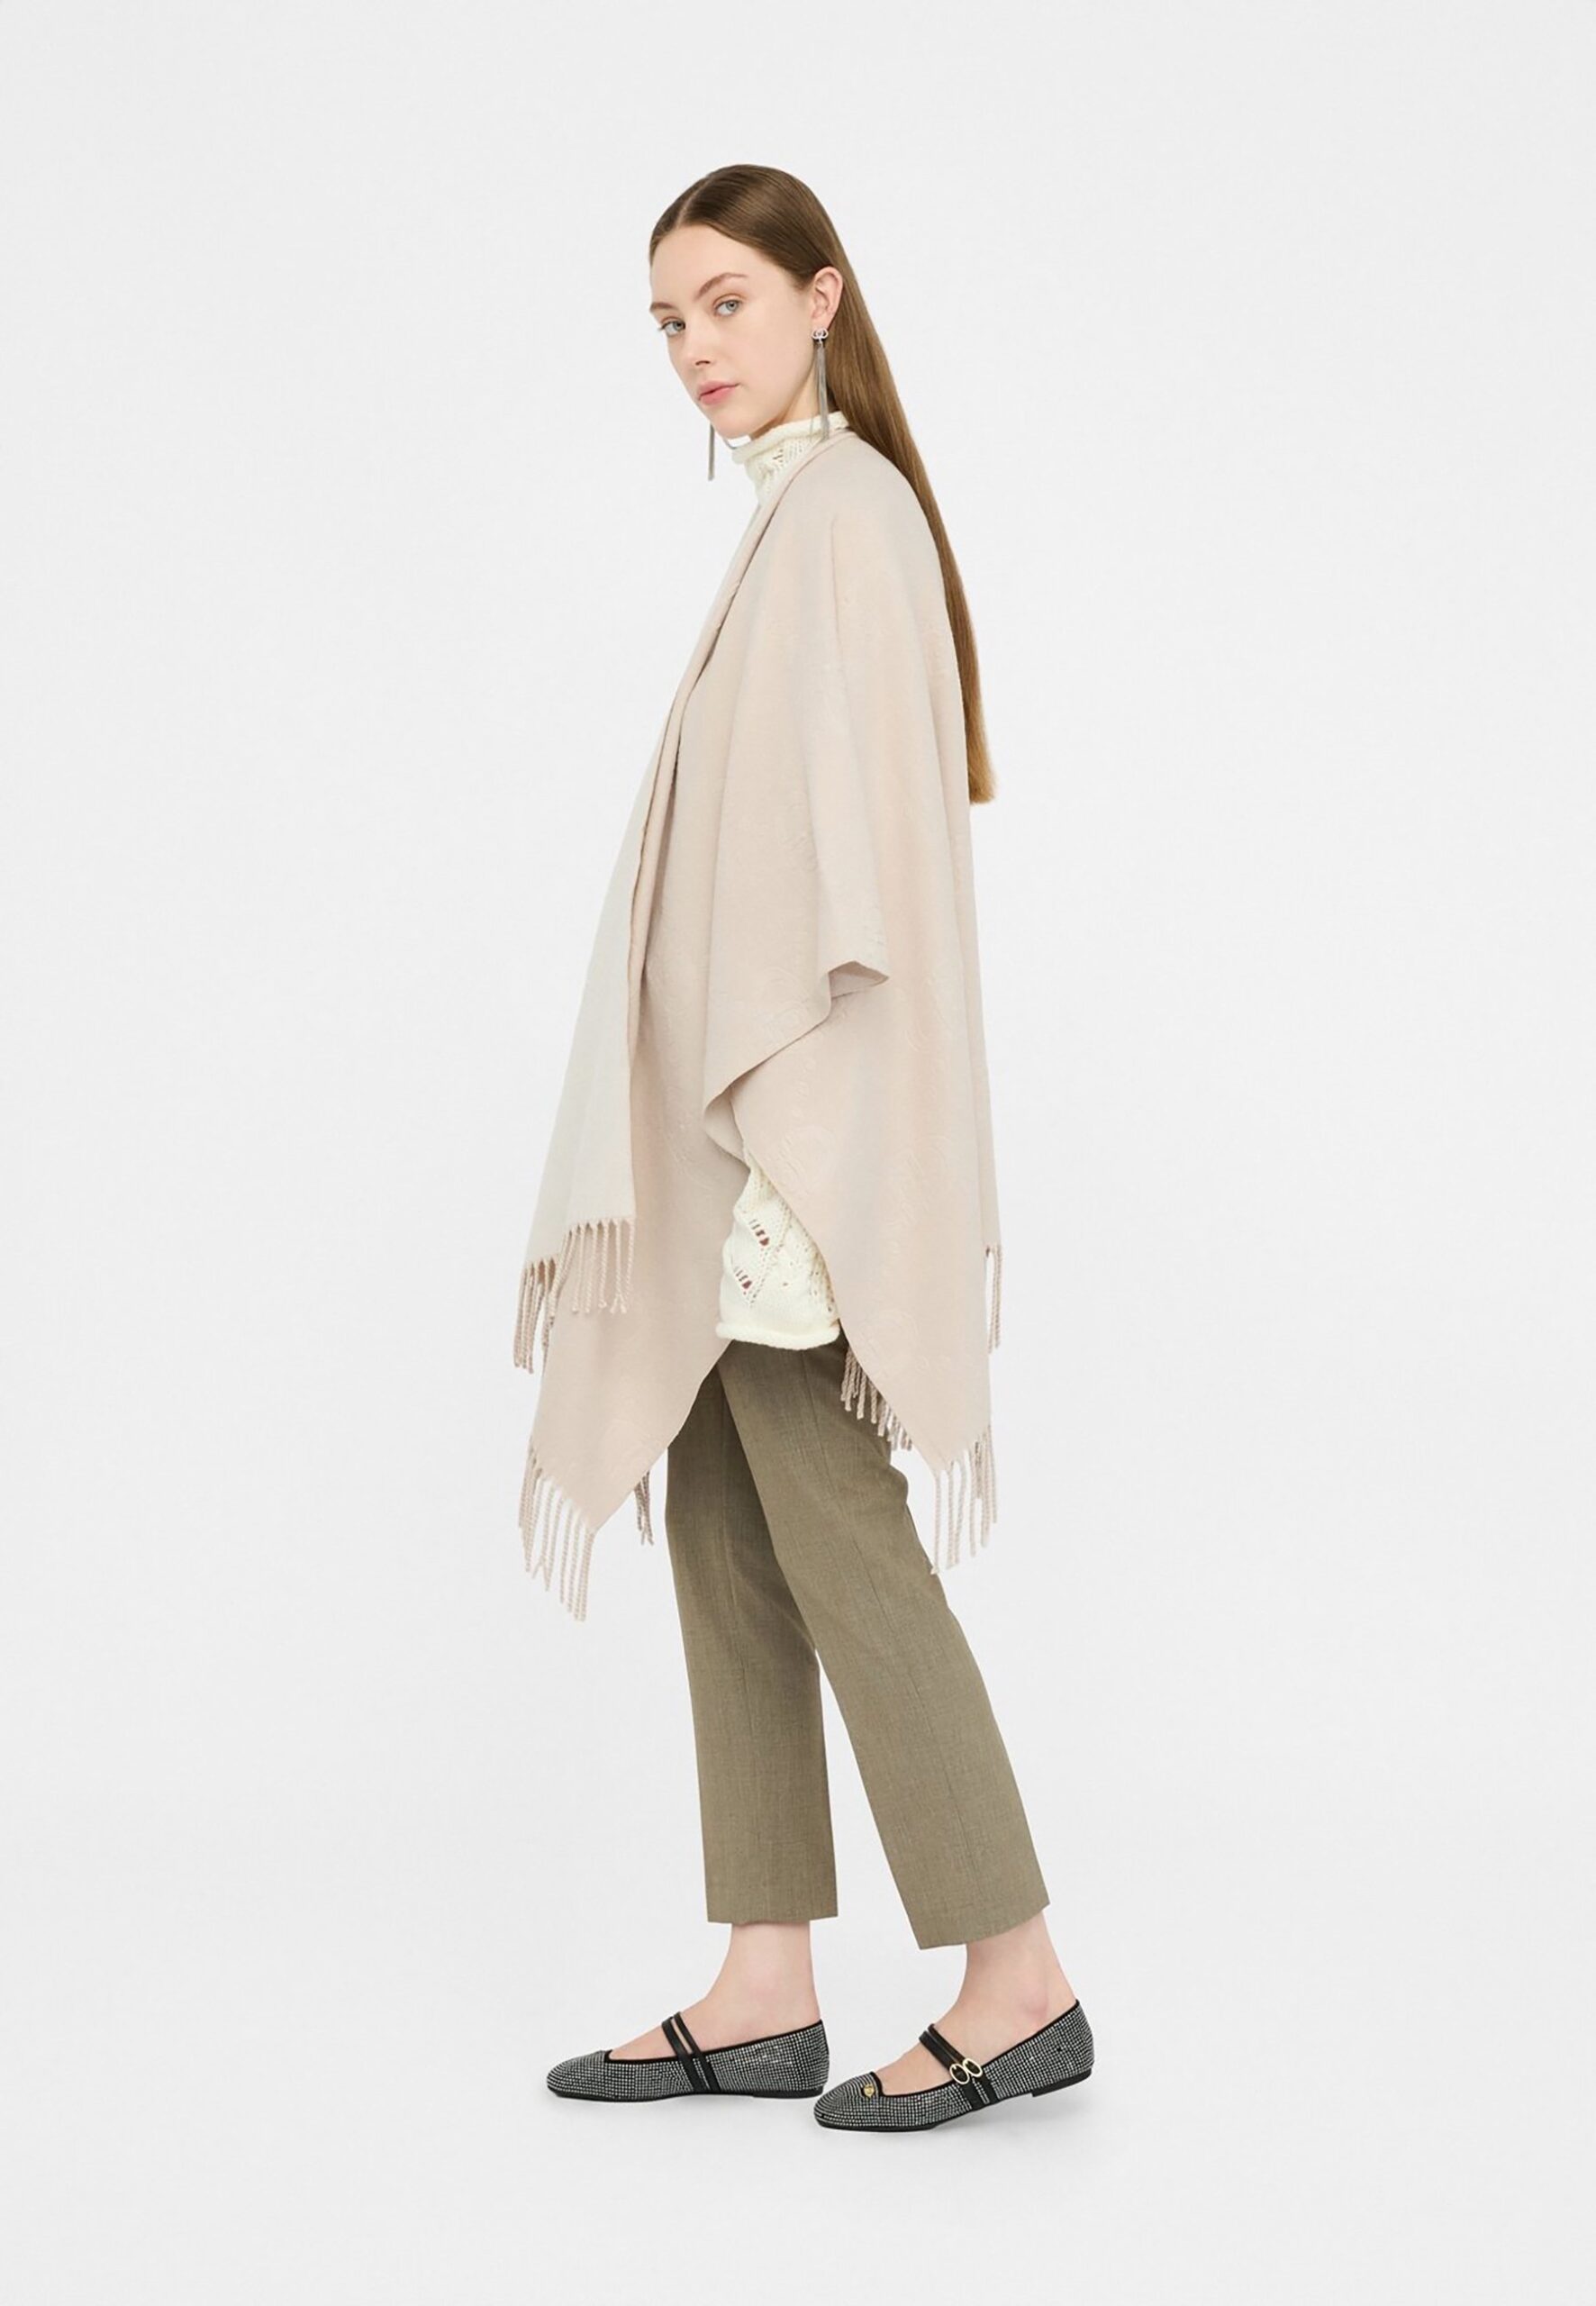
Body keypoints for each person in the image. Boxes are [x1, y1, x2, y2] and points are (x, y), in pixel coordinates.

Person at [522, 165, 1093, 2132]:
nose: (694, 348)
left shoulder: (843, 519)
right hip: (742, 1138)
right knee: (725, 1524)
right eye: (667, 322)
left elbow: (854, 887)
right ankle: (765, 1979)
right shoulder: (797, 517)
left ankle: (1016, 1976)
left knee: (834, 1529)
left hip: (798, 1137)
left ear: (821, 297)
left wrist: (794, 1158)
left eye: (727, 304)